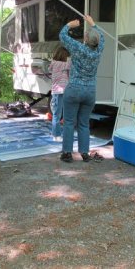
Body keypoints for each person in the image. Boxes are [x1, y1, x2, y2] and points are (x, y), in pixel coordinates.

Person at [59, 15, 105, 162]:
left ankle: (67, 153)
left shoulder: (78, 48)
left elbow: (62, 36)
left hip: (74, 88)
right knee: (84, 123)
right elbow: (102, 37)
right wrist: (93, 24)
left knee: (69, 123)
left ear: (86, 39)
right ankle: (84, 153)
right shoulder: (98, 52)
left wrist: (69, 25)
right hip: (90, 91)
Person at [48, 46, 71, 142]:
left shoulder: (53, 63)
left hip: (56, 92)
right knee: (66, 115)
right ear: (64, 56)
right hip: (64, 91)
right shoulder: (65, 64)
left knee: (56, 115)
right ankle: (58, 135)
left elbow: (49, 69)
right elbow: (71, 68)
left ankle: (56, 135)